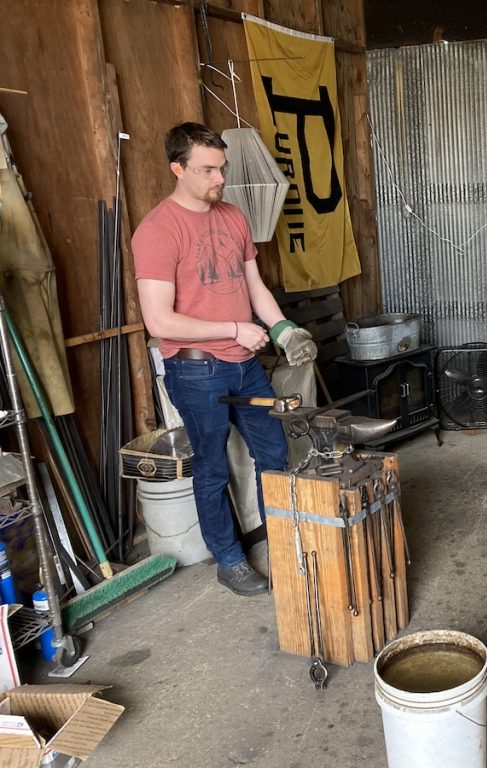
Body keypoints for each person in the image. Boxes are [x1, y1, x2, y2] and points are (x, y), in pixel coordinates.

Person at [132, 122, 318, 596]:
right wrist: (234, 328)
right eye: (207, 170)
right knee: (212, 467)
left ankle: (283, 542)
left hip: (245, 365)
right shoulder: (156, 231)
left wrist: (283, 329)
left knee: (274, 452)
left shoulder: (233, 216)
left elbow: (253, 286)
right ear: (177, 168)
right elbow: (160, 321)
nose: (219, 179)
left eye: (222, 168)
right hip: (196, 370)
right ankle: (229, 559)